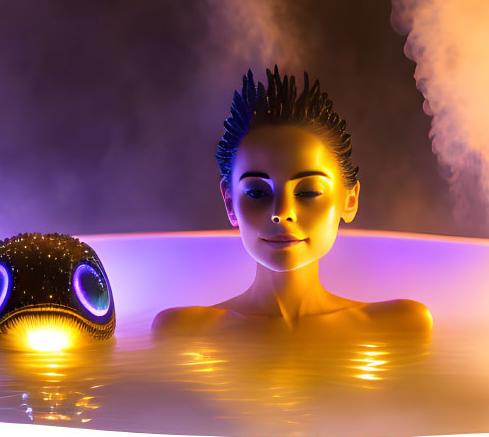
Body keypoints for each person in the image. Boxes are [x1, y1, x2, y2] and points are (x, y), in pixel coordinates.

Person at [153, 67, 432, 337]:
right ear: (230, 203)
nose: (281, 213)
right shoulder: (182, 333)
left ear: (349, 200)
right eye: (256, 193)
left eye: (308, 192)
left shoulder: (400, 326)